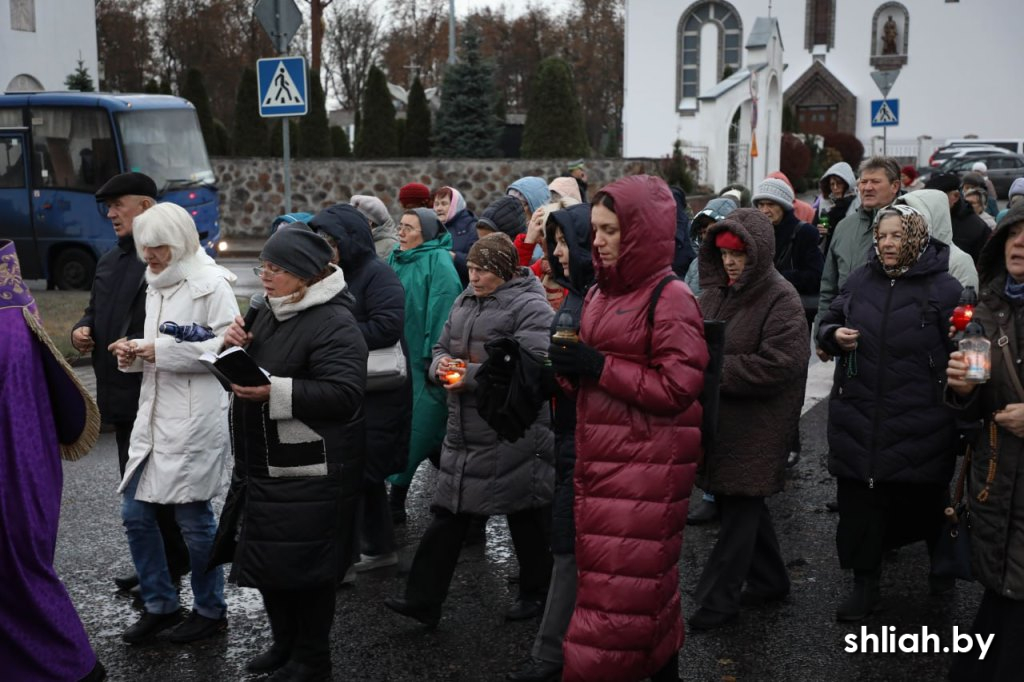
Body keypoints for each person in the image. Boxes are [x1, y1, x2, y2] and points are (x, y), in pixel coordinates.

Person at [551, 176, 708, 682]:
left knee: (616, 611)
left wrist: (596, 366)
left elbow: (677, 387)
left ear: (641, 232)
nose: (596, 241)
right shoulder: (599, 291)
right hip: (601, 468)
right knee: (638, 599)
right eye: (595, 230)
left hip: (646, 473)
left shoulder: (672, 296)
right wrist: (564, 372)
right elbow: (597, 387)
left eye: (611, 230)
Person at [212, 225, 368, 681]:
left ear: (304, 275)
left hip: (312, 466)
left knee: (306, 569)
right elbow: (246, 380)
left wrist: (274, 392)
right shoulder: (269, 310)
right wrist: (230, 348)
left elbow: (344, 394)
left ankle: (313, 659)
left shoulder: (334, 321)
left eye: (276, 268)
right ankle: (284, 645)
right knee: (270, 561)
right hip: (263, 460)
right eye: (263, 265)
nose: (264, 275)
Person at [384, 232, 555, 627]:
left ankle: (538, 593)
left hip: (511, 429)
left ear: (503, 270)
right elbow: (441, 347)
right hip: (465, 430)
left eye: (481, 270)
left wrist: (468, 376)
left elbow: (532, 367)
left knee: (525, 513)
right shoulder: (465, 298)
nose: (473, 276)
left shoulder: (530, 306)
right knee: (450, 511)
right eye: (472, 269)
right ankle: (423, 599)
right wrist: (440, 367)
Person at [817, 204, 962, 621]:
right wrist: (832, 334)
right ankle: (866, 586)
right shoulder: (862, 279)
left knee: (924, 498)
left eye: (897, 235)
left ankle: (943, 564)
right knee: (860, 503)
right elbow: (830, 318)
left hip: (920, 414)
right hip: (859, 410)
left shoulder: (945, 287)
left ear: (915, 236)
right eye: (882, 236)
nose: (887, 243)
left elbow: (964, 349)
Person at [110, 202, 239, 644]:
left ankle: (209, 609)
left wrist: (159, 352)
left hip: (193, 418)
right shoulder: (155, 283)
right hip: (155, 414)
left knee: (193, 519)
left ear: (181, 240)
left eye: (159, 246)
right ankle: (161, 604)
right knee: (136, 515)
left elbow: (227, 351)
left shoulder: (212, 283)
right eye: (146, 247)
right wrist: (134, 353)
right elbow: (158, 344)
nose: (151, 255)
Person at [689, 208, 809, 630]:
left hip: (759, 425)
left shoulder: (781, 297)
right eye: (724, 253)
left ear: (758, 252)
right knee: (739, 504)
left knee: (738, 511)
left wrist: (714, 369)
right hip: (723, 423)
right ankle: (771, 578)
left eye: (738, 253)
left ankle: (717, 602)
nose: (730, 262)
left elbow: (782, 364)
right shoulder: (716, 293)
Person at [71, 172, 189, 596]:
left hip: (157, 395)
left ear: (145, 206)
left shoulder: (164, 261)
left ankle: (172, 571)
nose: (110, 213)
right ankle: (156, 566)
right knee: (139, 492)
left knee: (164, 494)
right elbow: (94, 310)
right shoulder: (110, 260)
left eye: (118, 205)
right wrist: (82, 331)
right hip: (119, 396)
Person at [0, 240, 107, 682]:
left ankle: (73, 667)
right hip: (24, 467)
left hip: (9, 475)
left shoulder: (5, 320)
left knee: (17, 580)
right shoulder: (13, 301)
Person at [508, 202, 596, 682]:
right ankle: (553, 651)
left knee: (593, 554)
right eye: (554, 242)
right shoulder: (575, 298)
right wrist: (527, 373)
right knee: (567, 546)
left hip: (598, 446)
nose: (556, 253)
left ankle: (556, 654)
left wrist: (588, 366)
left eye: (564, 242)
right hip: (570, 438)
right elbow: (559, 372)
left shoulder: (596, 298)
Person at [309, 204, 411, 573]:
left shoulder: (376, 274)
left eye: (331, 241)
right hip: (351, 386)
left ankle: (353, 555)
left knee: (363, 472)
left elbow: (387, 325)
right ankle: (373, 549)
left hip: (379, 391)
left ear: (349, 241)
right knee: (357, 473)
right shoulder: (330, 275)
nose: (325, 248)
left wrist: (335, 337)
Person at [946, 205, 1024, 680]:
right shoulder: (987, 314)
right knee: (1001, 590)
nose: (1020, 243)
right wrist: (961, 391)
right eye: (1013, 234)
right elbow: (972, 408)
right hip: (996, 484)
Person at [386, 208, 463, 523]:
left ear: (426, 234)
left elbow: (444, 307)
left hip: (423, 361)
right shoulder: (395, 258)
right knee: (424, 434)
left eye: (408, 228)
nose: (401, 232)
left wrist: (434, 358)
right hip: (398, 359)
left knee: (419, 429)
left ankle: (397, 502)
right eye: (400, 226)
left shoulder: (439, 261)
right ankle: (457, 502)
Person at [681, 196, 738, 526]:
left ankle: (717, 495)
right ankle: (709, 489)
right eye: (701, 230)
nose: (706, 236)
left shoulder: (740, 265)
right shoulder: (696, 265)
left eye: (712, 229)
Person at [816, 156, 903, 361]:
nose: (867, 188)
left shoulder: (908, 225)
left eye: (875, 181)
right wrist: (822, 334)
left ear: (895, 186)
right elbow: (829, 286)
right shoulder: (845, 227)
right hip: (847, 341)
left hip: (893, 345)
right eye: (863, 182)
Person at [752, 176, 824, 329]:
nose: (765, 210)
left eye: (770, 204)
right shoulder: (754, 234)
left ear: (783, 206)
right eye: (761, 205)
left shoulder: (805, 233)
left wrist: (778, 278)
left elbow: (816, 277)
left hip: (793, 315)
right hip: (760, 314)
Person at [924, 172, 990, 263]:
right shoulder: (925, 220)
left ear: (955, 196)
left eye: (937, 197)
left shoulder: (977, 227)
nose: (930, 202)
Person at [434, 185, 478, 285]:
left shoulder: (472, 228)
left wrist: (454, 257)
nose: (439, 208)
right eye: (436, 204)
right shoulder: (432, 228)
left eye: (444, 204)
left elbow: (480, 264)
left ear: (455, 205)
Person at [816, 162, 861, 251]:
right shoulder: (825, 205)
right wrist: (820, 232)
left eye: (839, 183)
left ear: (847, 183)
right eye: (832, 184)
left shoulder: (857, 203)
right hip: (829, 253)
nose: (835, 187)